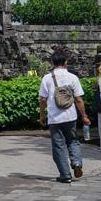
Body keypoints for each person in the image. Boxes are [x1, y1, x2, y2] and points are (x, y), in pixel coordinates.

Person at [38, 48, 91, 183]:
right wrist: (84, 116)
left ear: (52, 62)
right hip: (70, 116)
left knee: (59, 146)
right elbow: (78, 99)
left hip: (54, 118)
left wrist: (42, 115)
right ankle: (77, 163)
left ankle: (65, 175)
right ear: (66, 62)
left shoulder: (47, 78)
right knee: (73, 141)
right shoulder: (72, 77)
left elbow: (42, 99)